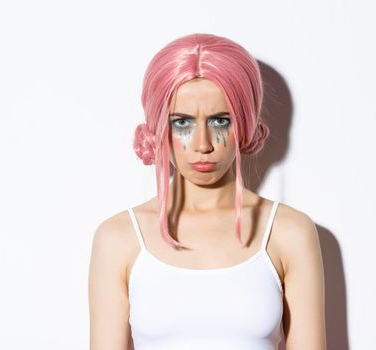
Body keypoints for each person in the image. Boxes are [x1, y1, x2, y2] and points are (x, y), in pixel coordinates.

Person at [88, 33, 326, 350]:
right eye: (183, 122)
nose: (203, 144)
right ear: (159, 128)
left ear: (244, 122)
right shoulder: (119, 239)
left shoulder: (289, 232)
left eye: (219, 121)